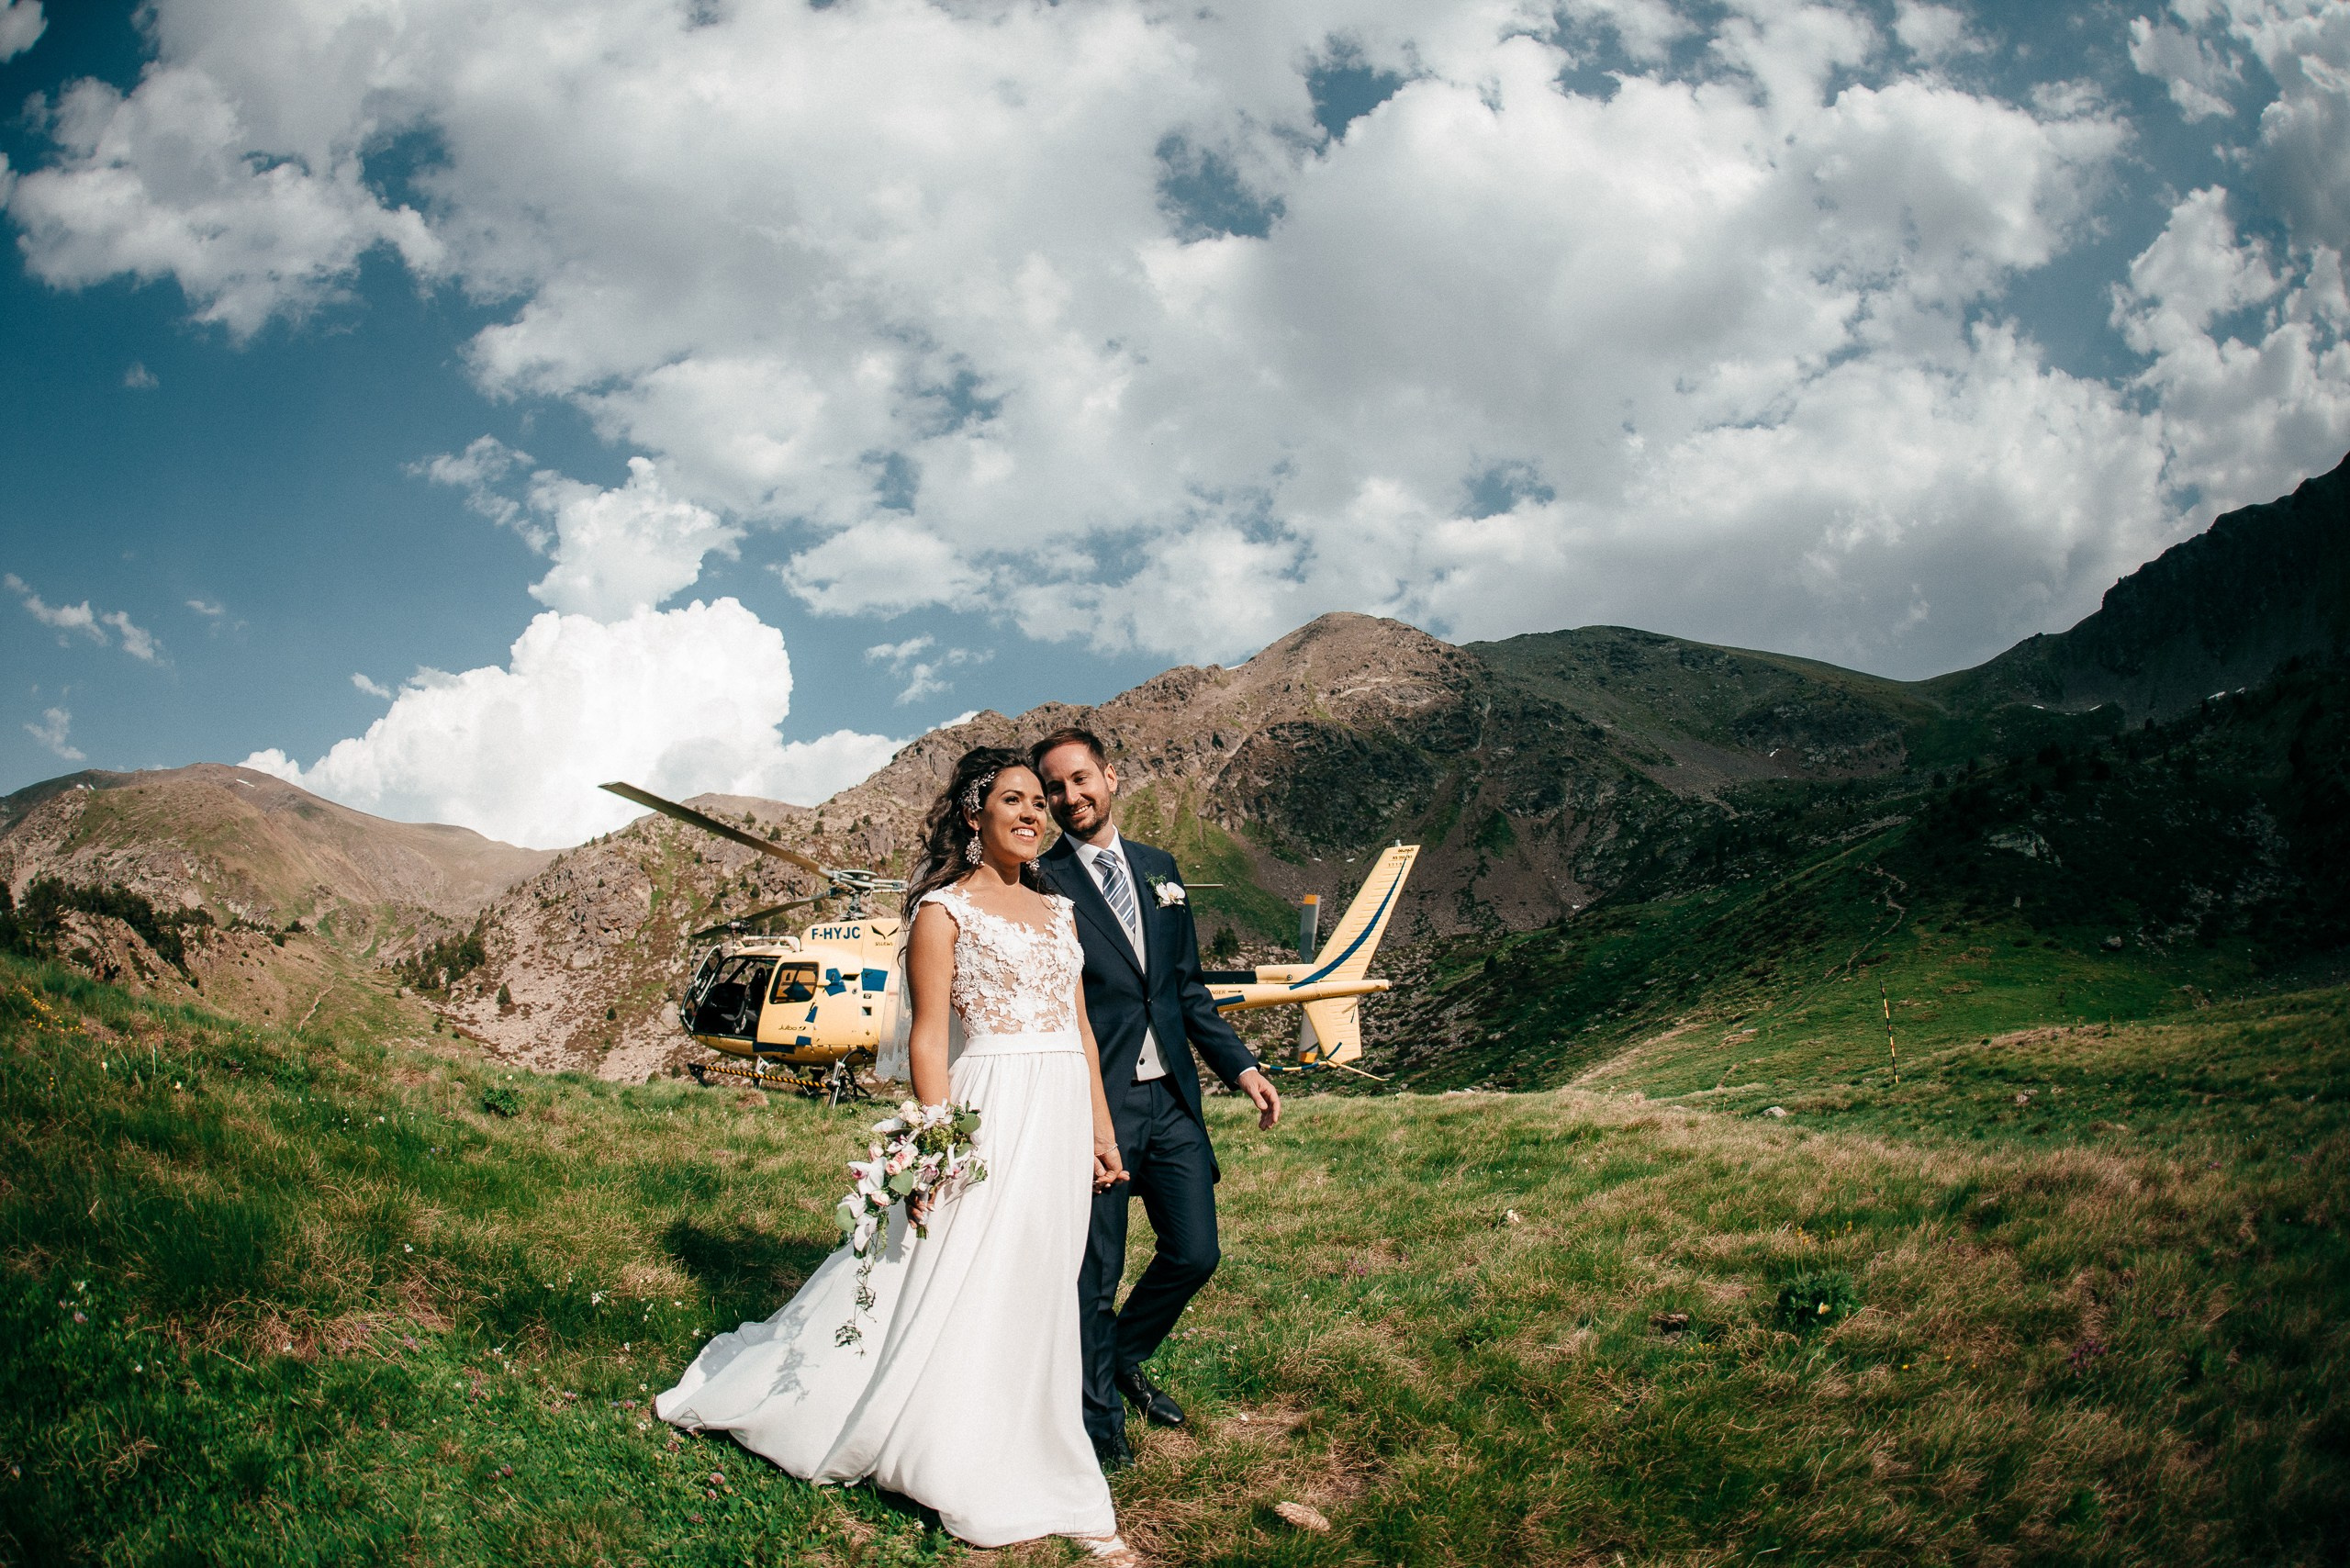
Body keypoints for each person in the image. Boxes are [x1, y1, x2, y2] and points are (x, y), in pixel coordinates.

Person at [655, 747, 1140, 1562]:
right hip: (988, 1105)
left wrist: (1099, 1126)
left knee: (1039, 1273)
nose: (1033, 815)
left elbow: (1081, 1027)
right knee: (963, 1266)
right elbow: (925, 1035)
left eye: (1039, 804)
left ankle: (1027, 1426)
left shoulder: (1059, 912)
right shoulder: (943, 912)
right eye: (1013, 801)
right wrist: (936, 1136)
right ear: (973, 816)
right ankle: (953, 1442)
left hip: (1059, 1108)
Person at [1030, 727, 1283, 1473]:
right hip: (1094, 1108)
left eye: (1079, 780)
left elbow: (1184, 987)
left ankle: (1119, 1362)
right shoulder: (1040, 883)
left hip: (1172, 1098)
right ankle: (1096, 1427)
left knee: (1195, 1252)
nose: (1068, 797)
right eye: (1053, 788)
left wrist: (1240, 1067)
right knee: (1095, 1277)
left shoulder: (1161, 870)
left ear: (1110, 777)